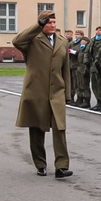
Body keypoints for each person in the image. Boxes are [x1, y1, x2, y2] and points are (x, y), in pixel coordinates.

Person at [12, 10, 72, 178]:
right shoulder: (32, 40)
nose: (52, 25)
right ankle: (40, 163)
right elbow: (16, 41)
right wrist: (37, 26)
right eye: (48, 22)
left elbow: (65, 70)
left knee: (60, 128)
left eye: (54, 22)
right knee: (37, 129)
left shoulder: (62, 41)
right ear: (41, 24)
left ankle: (61, 166)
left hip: (57, 92)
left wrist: (67, 93)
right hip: (36, 91)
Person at [87, 25, 101, 110]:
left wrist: (97, 62)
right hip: (92, 65)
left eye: (100, 30)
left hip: (99, 65)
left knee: (100, 84)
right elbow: (88, 51)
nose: (99, 31)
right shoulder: (93, 40)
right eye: (97, 30)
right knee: (94, 84)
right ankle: (98, 102)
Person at [75, 36, 92, 108]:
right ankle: (80, 98)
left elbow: (88, 60)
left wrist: (86, 69)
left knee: (85, 85)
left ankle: (86, 101)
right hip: (79, 68)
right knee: (79, 84)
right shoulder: (81, 49)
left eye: (84, 41)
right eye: (82, 40)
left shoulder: (87, 49)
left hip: (85, 68)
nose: (82, 41)